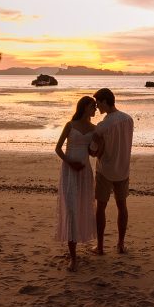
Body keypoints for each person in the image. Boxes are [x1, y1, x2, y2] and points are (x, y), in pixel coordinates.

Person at [54, 95, 98, 270]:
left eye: (95, 106)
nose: (95, 109)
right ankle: (73, 257)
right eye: (93, 106)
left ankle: (78, 244)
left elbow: (93, 154)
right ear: (85, 107)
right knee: (71, 209)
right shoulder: (70, 125)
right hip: (70, 171)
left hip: (85, 172)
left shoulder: (94, 129)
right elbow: (57, 148)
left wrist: (99, 144)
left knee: (82, 207)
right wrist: (70, 162)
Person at [91, 87, 133, 254]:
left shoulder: (103, 125)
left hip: (106, 169)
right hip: (123, 168)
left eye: (98, 103)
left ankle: (100, 247)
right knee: (122, 206)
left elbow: (94, 150)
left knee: (101, 207)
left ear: (105, 102)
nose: (97, 107)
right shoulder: (128, 119)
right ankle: (120, 244)